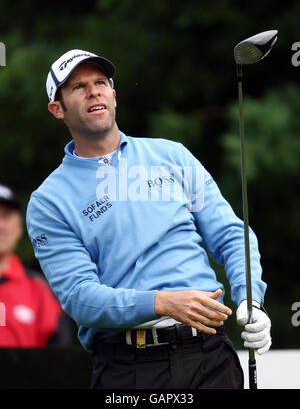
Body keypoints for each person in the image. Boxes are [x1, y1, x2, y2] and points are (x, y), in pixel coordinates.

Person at [26, 49, 271, 389]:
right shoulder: (48, 202)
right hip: (128, 367)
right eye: (78, 87)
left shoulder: (171, 155)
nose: (93, 91)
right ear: (58, 109)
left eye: (100, 83)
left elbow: (231, 235)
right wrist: (161, 303)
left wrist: (250, 298)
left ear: (113, 95)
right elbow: (80, 297)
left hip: (209, 356)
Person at [0, 183, 72, 347]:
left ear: (19, 228)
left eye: (6, 216)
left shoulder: (39, 289)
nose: (0, 225)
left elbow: (59, 358)